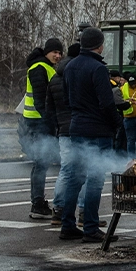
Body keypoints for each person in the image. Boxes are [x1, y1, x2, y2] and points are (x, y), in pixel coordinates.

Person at [55, 27, 123, 243]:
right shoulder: (98, 68)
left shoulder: (70, 66)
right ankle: (91, 227)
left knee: (75, 178)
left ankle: (67, 224)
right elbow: (106, 102)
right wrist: (117, 124)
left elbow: (67, 100)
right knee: (95, 179)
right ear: (100, 45)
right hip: (98, 130)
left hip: (77, 127)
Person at [21, 38, 64, 219]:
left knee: (43, 162)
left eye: (60, 53)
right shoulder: (39, 67)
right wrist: (51, 122)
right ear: (46, 52)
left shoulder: (45, 67)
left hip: (39, 121)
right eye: (55, 52)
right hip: (39, 122)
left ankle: (38, 203)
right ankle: (37, 204)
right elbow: (40, 99)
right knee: (41, 162)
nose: (58, 55)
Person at [43, 43, 80, 226]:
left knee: (65, 170)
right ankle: (83, 213)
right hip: (80, 128)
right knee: (83, 170)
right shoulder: (77, 75)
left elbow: (49, 108)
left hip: (63, 130)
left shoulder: (55, 78)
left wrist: (56, 128)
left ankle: (58, 209)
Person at [121, 71, 136, 158]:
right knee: (131, 140)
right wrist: (128, 102)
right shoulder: (123, 88)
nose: (133, 85)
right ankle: (131, 159)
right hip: (128, 117)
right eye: (131, 84)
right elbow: (120, 101)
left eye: (134, 83)